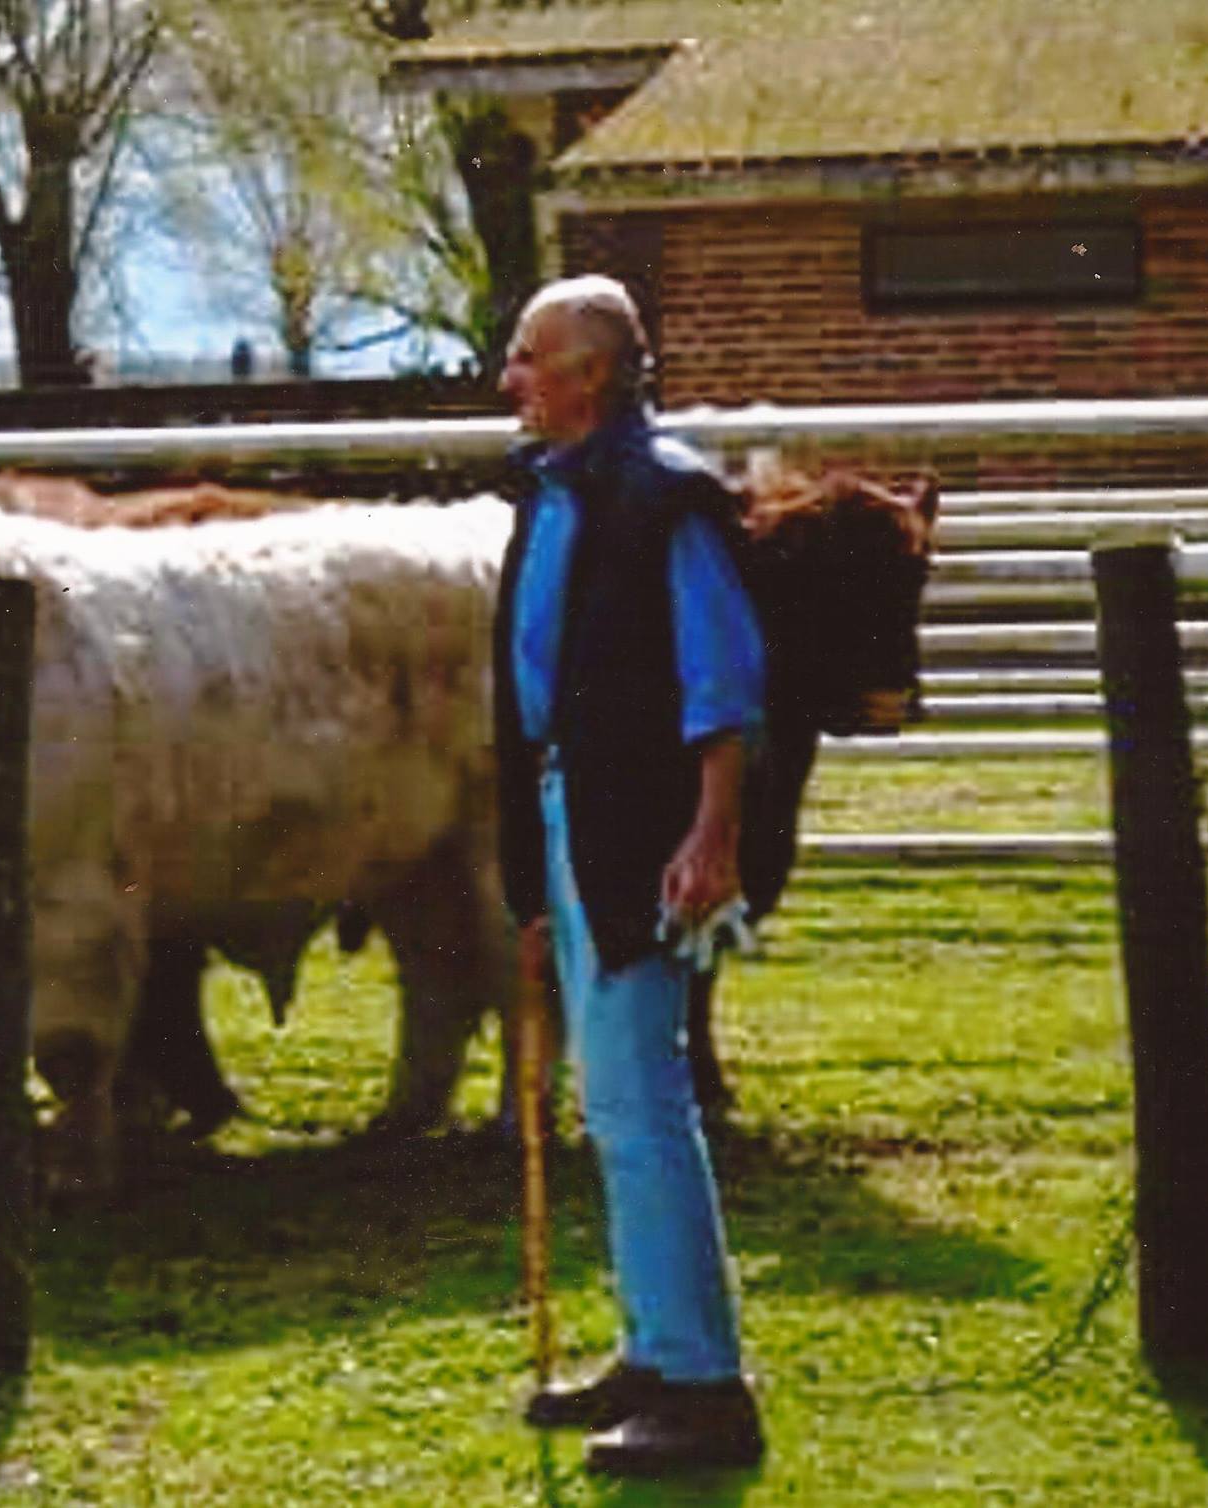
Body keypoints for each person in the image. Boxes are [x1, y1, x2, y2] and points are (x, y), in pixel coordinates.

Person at [493, 275, 766, 1476]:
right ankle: (658, 1349)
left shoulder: (666, 496)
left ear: (588, 372)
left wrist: (711, 834)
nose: (508, 376)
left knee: (641, 1101)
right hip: (572, 811)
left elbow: (724, 679)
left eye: (526, 354)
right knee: (614, 1102)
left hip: (638, 827)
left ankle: (703, 1384)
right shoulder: (554, 493)